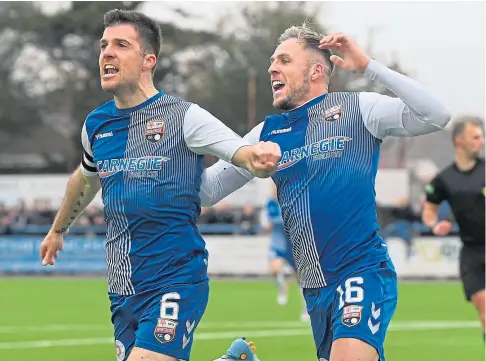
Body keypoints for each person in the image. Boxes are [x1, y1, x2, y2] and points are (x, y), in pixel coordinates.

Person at [199, 25, 451, 361]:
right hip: (315, 289)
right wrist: (168, 158)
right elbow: (209, 189)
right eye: (273, 61)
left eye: (284, 60)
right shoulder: (268, 132)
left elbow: (437, 115)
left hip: (362, 271)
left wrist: (368, 67)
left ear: (316, 70)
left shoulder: (359, 109)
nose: (272, 68)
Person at [39, 9, 279, 361]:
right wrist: (58, 230)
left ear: (148, 60)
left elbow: (237, 150)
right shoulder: (96, 125)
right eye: (104, 45)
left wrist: (257, 156)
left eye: (121, 45)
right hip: (123, 287)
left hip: (176, 279)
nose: (106, 53)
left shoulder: (184, 117)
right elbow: (86, 178)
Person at [422, 116, 485, 341]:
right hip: (470, 253)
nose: (482, 141)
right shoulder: (444, 179)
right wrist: (435, 224)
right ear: (460, 141)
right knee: (485, 313)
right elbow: (429, 210)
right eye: (476, 137)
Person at [265, 183, 309, 321]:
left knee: (302, 282)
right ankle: (283, 285)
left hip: (294, 245)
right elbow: (275, 220)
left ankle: (306, 310)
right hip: (278, 244)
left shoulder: (294, 200)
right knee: (274, 269)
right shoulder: (272, 203)